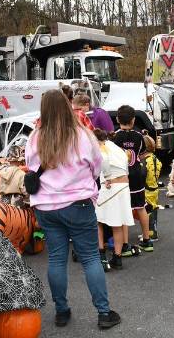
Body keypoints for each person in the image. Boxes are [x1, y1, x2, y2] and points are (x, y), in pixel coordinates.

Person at [26, 89, 121, 330]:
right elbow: (97, 166)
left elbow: (30, 167)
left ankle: (61, 311)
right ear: (68, 106)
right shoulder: (82, 135)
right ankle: (103, 312)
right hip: (78, 203)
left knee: (56, 259)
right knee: (90, 258)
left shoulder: (35, 137)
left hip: (46, 206)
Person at [113, 105, 153, 254]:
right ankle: (147, 240)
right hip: (137, 173)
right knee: (140, 206)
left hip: (122, 176)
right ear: (133, 120)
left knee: (124, 209)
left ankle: (125, 245)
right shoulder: (138, 136)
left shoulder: (114, 137)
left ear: (117, 119)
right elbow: (141, 153)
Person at [93, 128, 133, 271]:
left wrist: (107, 176)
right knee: (118, 223)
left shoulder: (101, 147)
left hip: (111, 187)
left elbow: (103, 159)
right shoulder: (117, 148)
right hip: (124, 187)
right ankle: (117, 257)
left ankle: (101, 254)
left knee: (97, 220)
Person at [142, 135, 162, 241]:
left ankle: (150, 234)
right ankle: (153, 232)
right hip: (155, 188)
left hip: (146, 190)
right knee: (153, 210)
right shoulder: (155, 159)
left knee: (147, 212)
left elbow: (142, 175)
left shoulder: (145, 161)